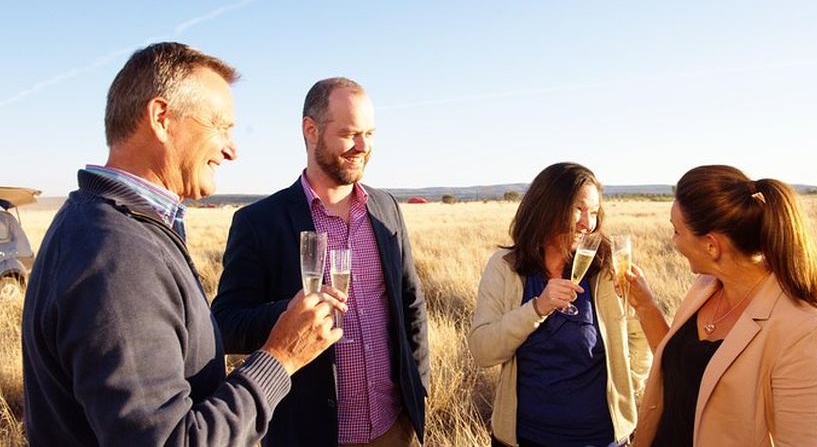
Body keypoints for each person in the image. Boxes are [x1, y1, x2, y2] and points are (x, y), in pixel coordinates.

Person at [21, 42, 346, 447]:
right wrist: (281, 358)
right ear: (161, 119)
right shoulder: (117, 254)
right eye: (221, 126)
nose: (232, 149)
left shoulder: (108, 223)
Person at [211, 76, 429, 446]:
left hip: (393, 428)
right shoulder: (260, 222)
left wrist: (418, 384)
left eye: (370, 133)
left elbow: (411, 302)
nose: (363, 146)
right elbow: (226, 324)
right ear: (310, 130)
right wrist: (290, 315)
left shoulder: (386, 209)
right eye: (349, 134)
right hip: (311, 433)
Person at [627, 165, 817, 446]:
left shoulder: (805, 331)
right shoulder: (705, 287)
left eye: (677, 231)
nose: (674, 241)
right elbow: (680, 367)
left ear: (711, 245)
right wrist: (645, 306)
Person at [467, 162, 651, 447]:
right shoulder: (505, 268)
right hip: (523, 437)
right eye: (578, 209)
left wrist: (624, 387)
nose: (587, 223)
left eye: (593, 212)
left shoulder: (608, 269)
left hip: (600, 439)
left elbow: (640, 338)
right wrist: (537, 308)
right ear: (547, 207)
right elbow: (483, 351)